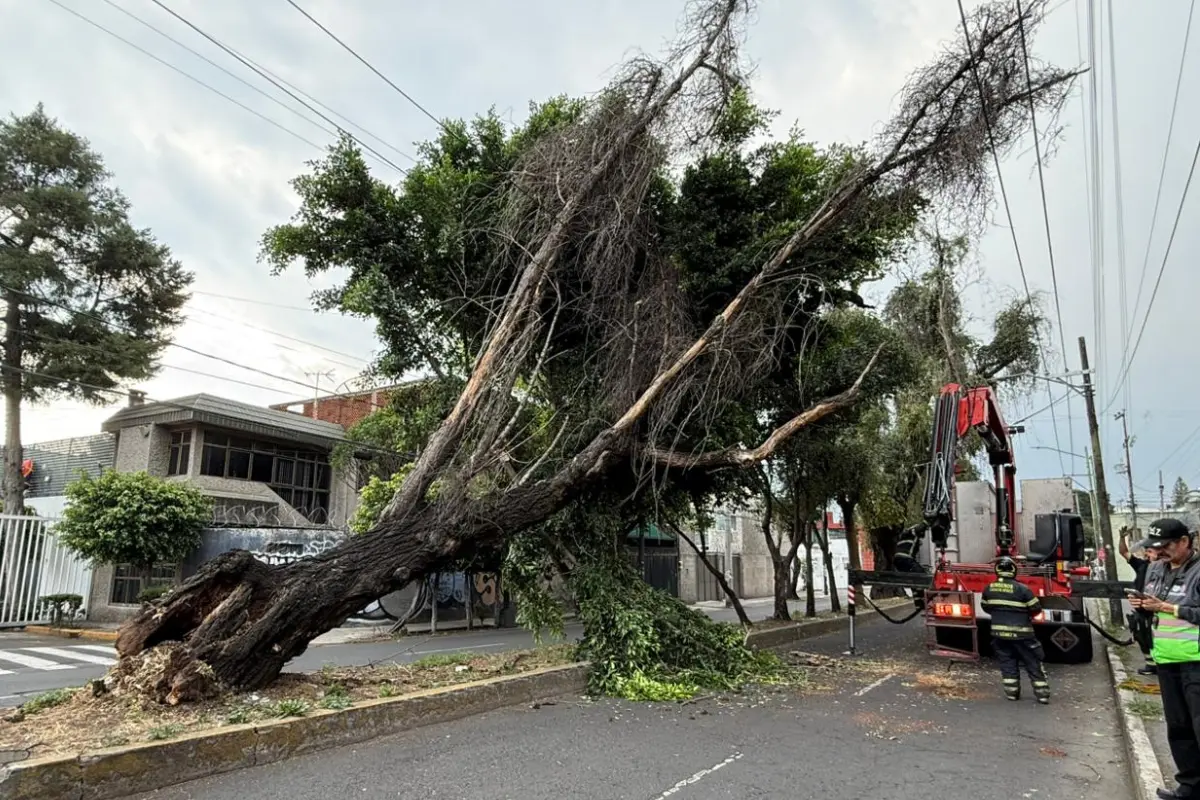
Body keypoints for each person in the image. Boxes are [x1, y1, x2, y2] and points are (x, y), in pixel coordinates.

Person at [1129, 518, 1200, 800]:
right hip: (1167, 660)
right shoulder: (1155, 569)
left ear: (1185, 541)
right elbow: (1155, 609)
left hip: (1196, 661)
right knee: (1179, 728)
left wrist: (1167, 607)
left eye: (1165, 546)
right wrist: (1143, 607)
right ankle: (1190, 787)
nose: (1158, 553)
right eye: (1155, 548)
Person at [980, 555, 1049, 704]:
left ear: (997, 570)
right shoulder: (1023, 589)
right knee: (1032, 661)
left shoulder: (989, 589)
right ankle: (1042, 694)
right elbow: (1036, 608)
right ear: (1014, 570)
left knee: (1007, 663)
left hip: (999, 635)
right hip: (1023, 635)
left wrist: (999, 614)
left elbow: (986, 607)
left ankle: (1012, 693)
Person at [1121, 529, 1163, 676]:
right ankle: (1150, 665)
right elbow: (1124, 553)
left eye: (1150, 551)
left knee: (1154, 640)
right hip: (1141, 610)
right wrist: (1122, 538)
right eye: (1147, 551)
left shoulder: (1166, 569)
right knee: (1142, 637)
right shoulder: (1141, 565)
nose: (1147, 554)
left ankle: (1158, 665)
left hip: (1157, 611)